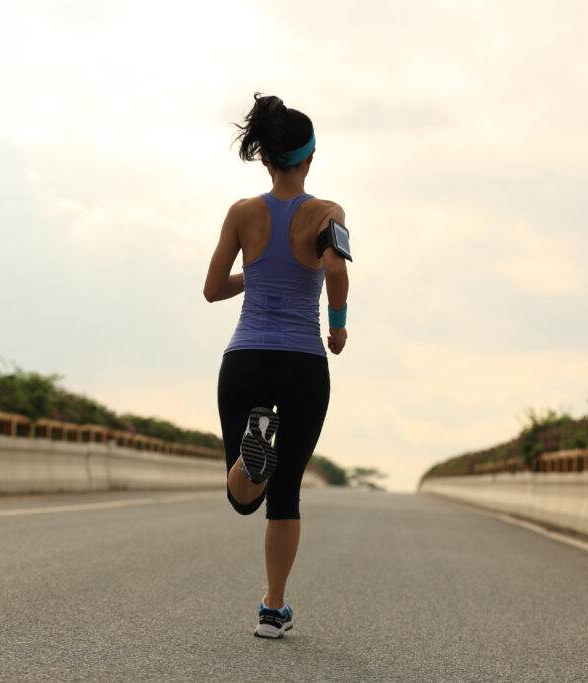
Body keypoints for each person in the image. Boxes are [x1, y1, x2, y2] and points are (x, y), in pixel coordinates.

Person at [203, 93, 351, 639]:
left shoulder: (241, 214)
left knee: (242, 496)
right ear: (309, 158)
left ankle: (251, 456)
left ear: (265, 159)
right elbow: (335, 273)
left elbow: (213, 289)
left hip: (245, 358)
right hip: (302, 364)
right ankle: (273, 608)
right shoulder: (327, 214)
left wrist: (257, 276)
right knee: (285, 490)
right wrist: (336, 325)